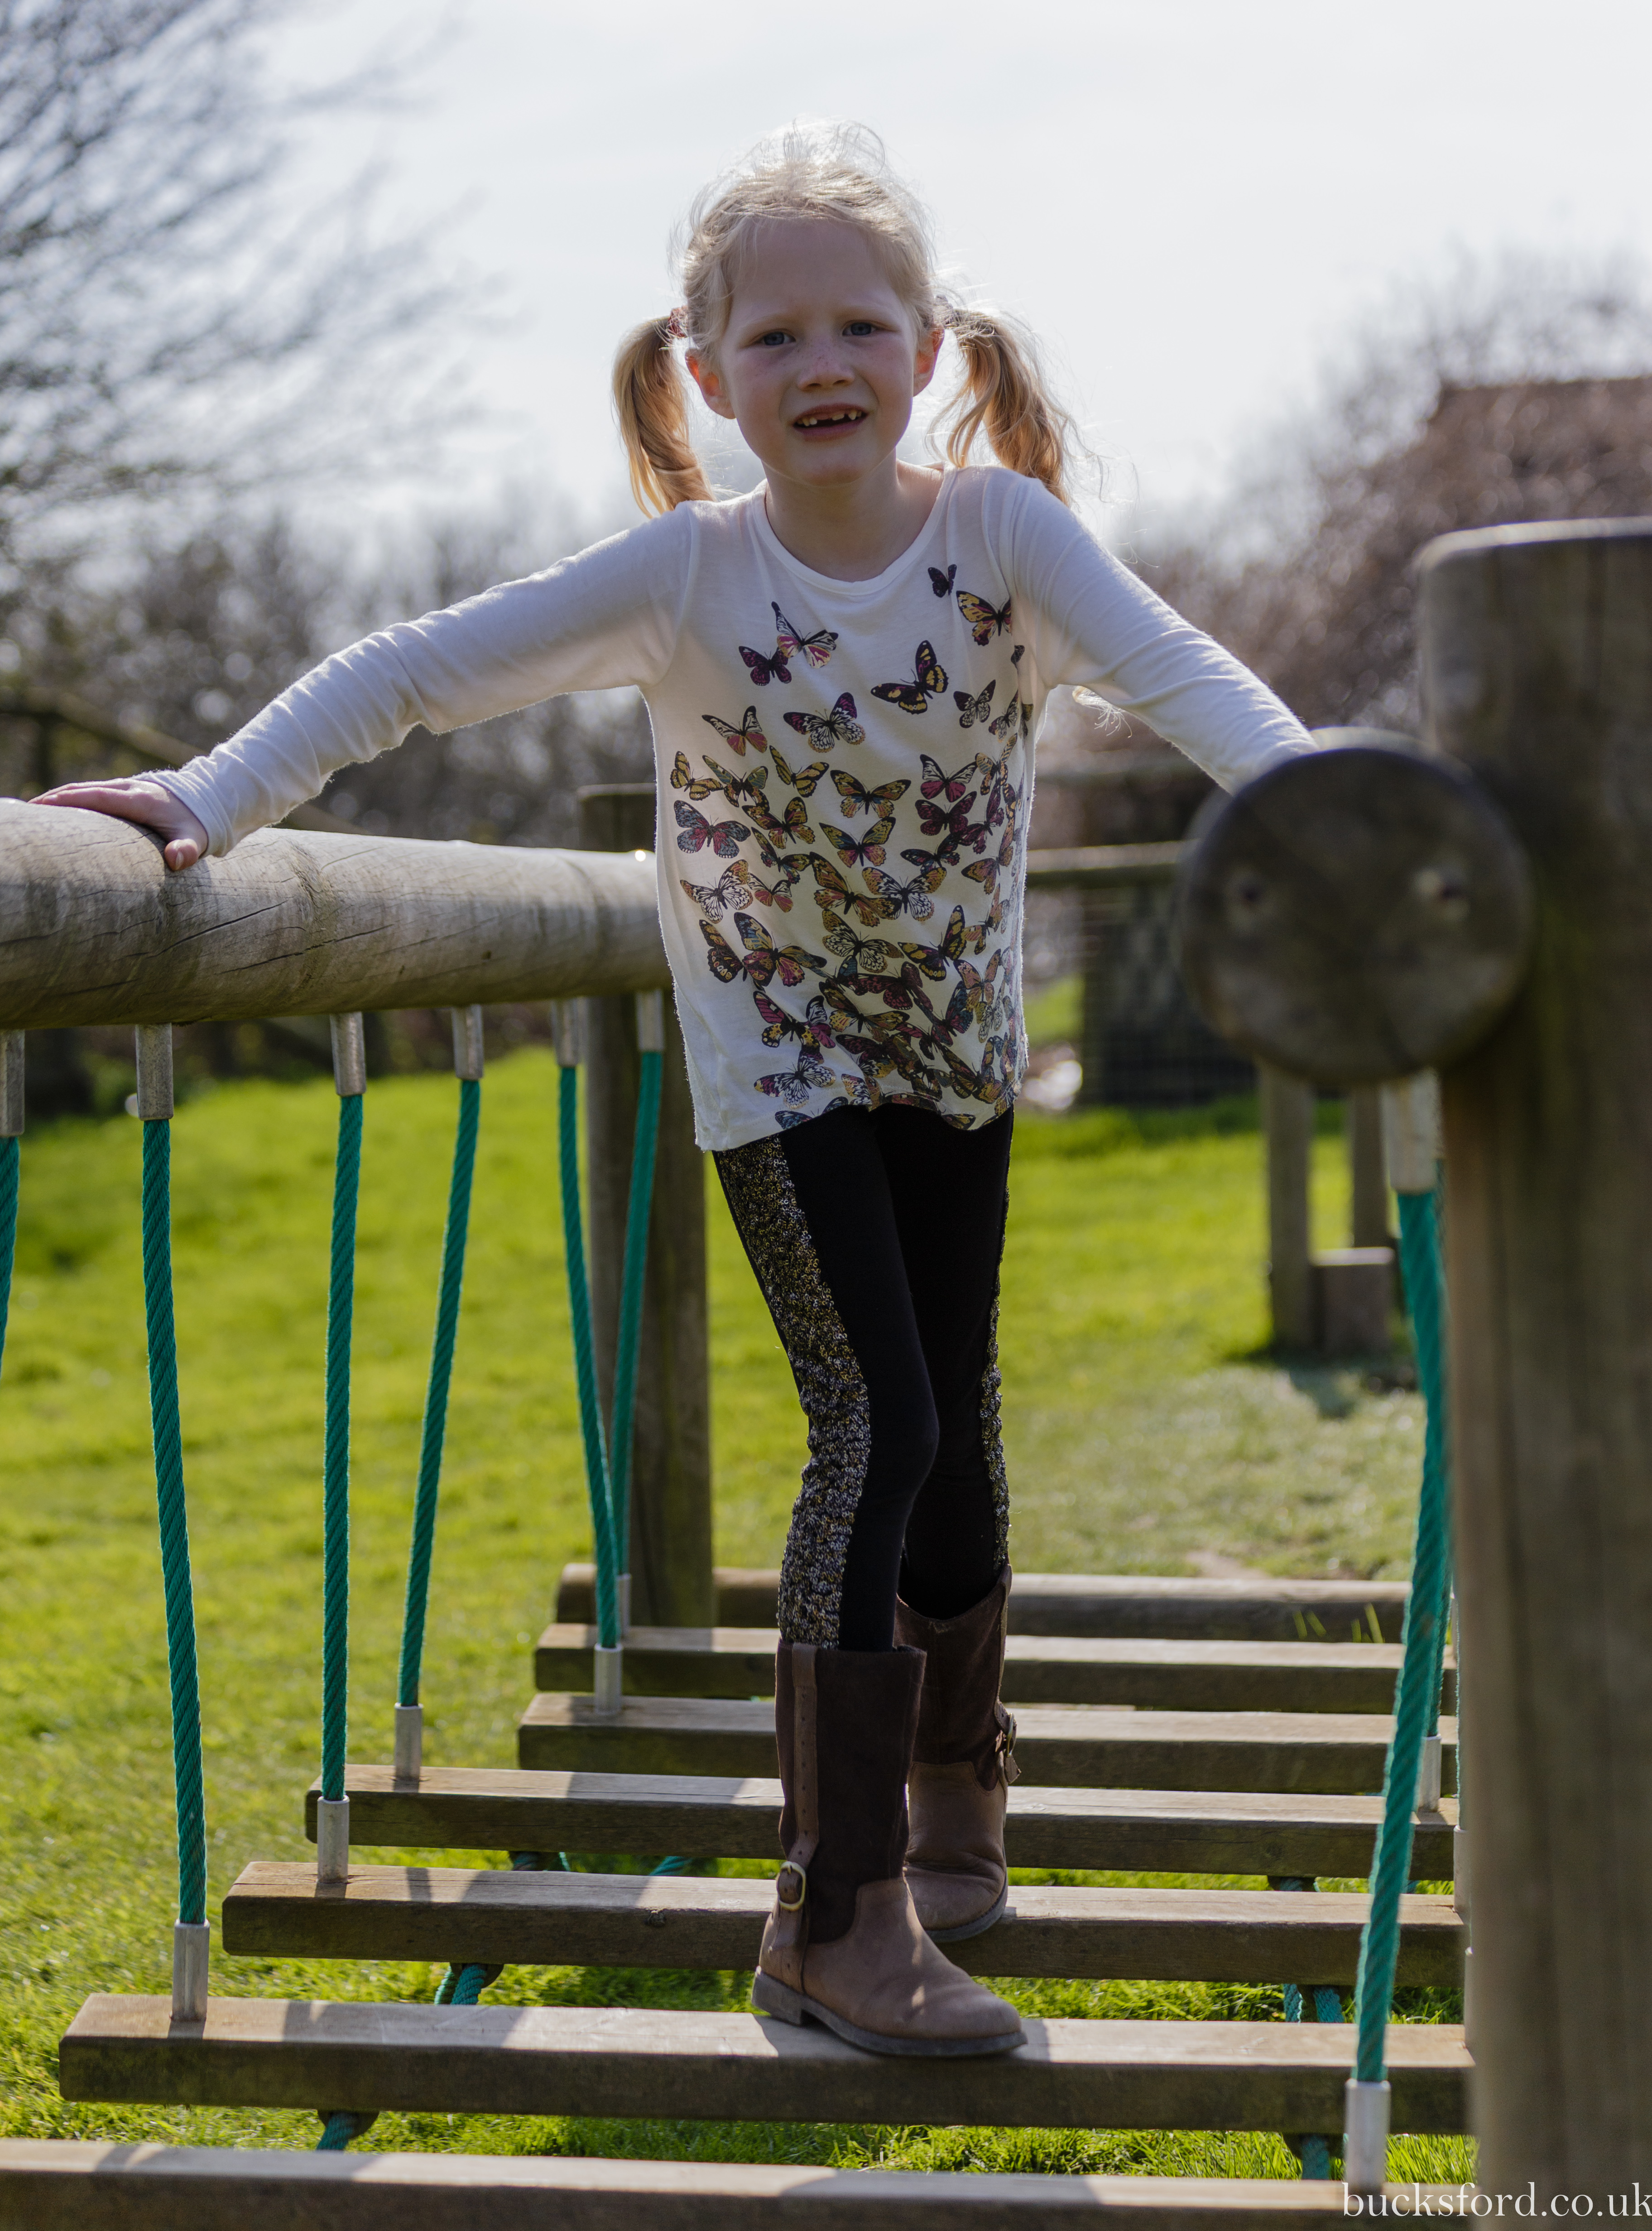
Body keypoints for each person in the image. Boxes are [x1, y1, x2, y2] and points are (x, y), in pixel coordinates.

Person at [35, 120, 1315, 2059]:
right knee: (874, 1424)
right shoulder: (688, 575)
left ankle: (956, 1780)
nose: (823, 363)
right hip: (779, 1065)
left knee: (959, 1434)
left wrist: (1333, 800)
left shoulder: (1002, 539)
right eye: (775, 335)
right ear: (707, 373)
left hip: (954, 1056)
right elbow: (411, 671)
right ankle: (833, 1915)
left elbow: (1191, 676)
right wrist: (202, 798)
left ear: (929, 348)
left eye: (860, 326)